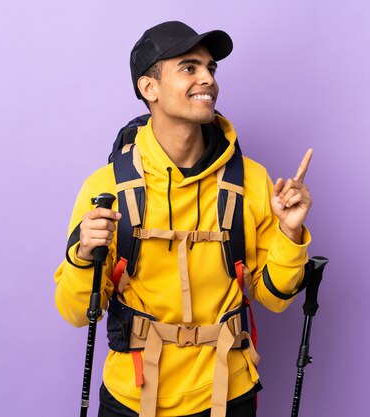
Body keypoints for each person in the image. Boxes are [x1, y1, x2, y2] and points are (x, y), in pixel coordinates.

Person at [54, 21, 313, 417]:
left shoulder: (251, 181)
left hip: (229, 394)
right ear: (149, 88)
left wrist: (290, 232)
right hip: (131, 398)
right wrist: (83, 255)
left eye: (211, 68)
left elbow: (274, 298)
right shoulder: (105, 187)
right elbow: (76, 312)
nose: (208, 78)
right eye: (189, 68)